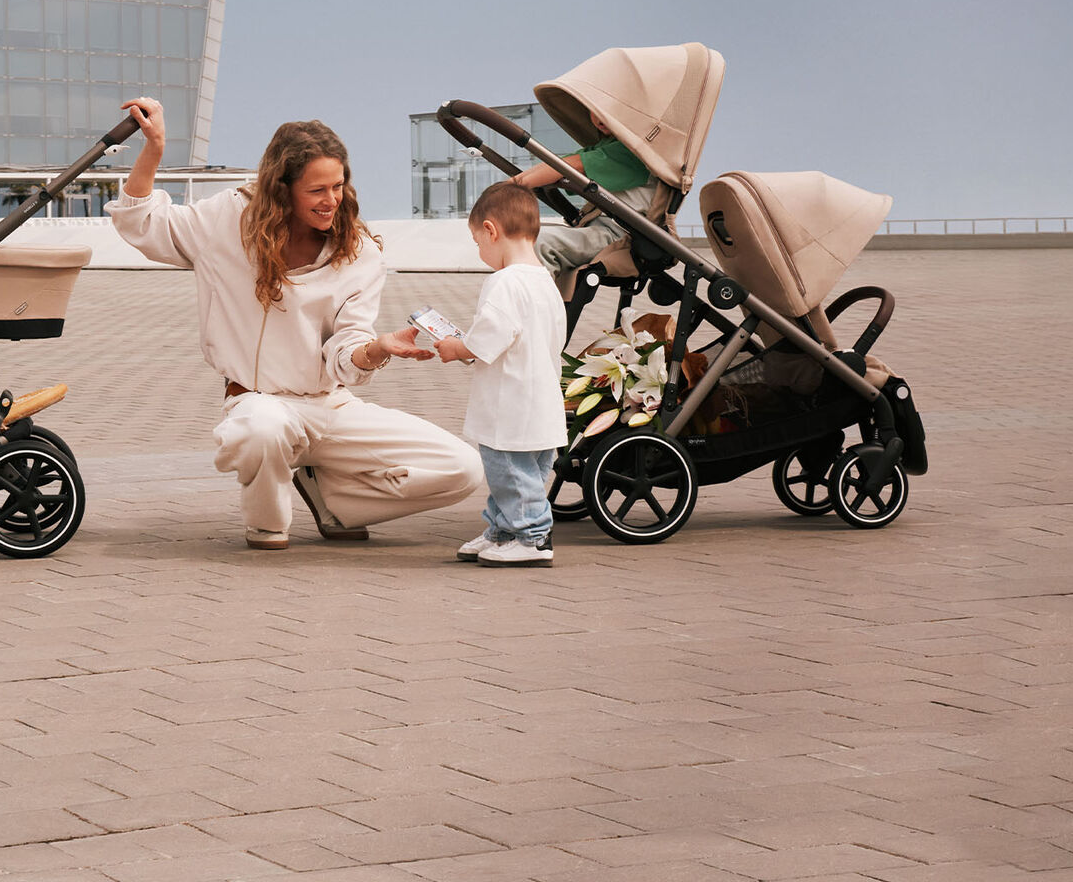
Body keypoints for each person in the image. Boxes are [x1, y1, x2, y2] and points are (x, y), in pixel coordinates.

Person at [107, 97, 484, 550]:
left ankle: (337, 500)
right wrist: (155, 147)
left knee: (464, 469)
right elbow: (140, 222)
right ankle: (268, 523)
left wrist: (380, 347)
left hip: (330, 408)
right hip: (258, 404)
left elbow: (347, 352)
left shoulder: (359, 252)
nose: (332, 202)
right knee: (262, 430)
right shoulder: (227, 219)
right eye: (317, 190)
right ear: (282, 188)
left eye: (338, 186)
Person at [436, 183, 569, 567]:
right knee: (518, 476)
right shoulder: (545, 280)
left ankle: (532, 536)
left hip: (511, 406)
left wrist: (455, 347)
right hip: (541, 403)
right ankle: (503, 529)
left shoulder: (504, 282)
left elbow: (489, 338)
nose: (479, 252)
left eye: (477, 241)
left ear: (491, 230)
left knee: (510, 473)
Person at [509, 124, 666, 279]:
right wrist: (514, 182)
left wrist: (511, 187)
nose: (598, 119)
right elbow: (562, 163)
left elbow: (574, 166)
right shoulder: (607, 145)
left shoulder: (634, 152)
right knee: (523, 234)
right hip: (598, 229)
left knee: (536, 243)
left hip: (619, 237)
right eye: (593, 112)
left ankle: (537, 302)